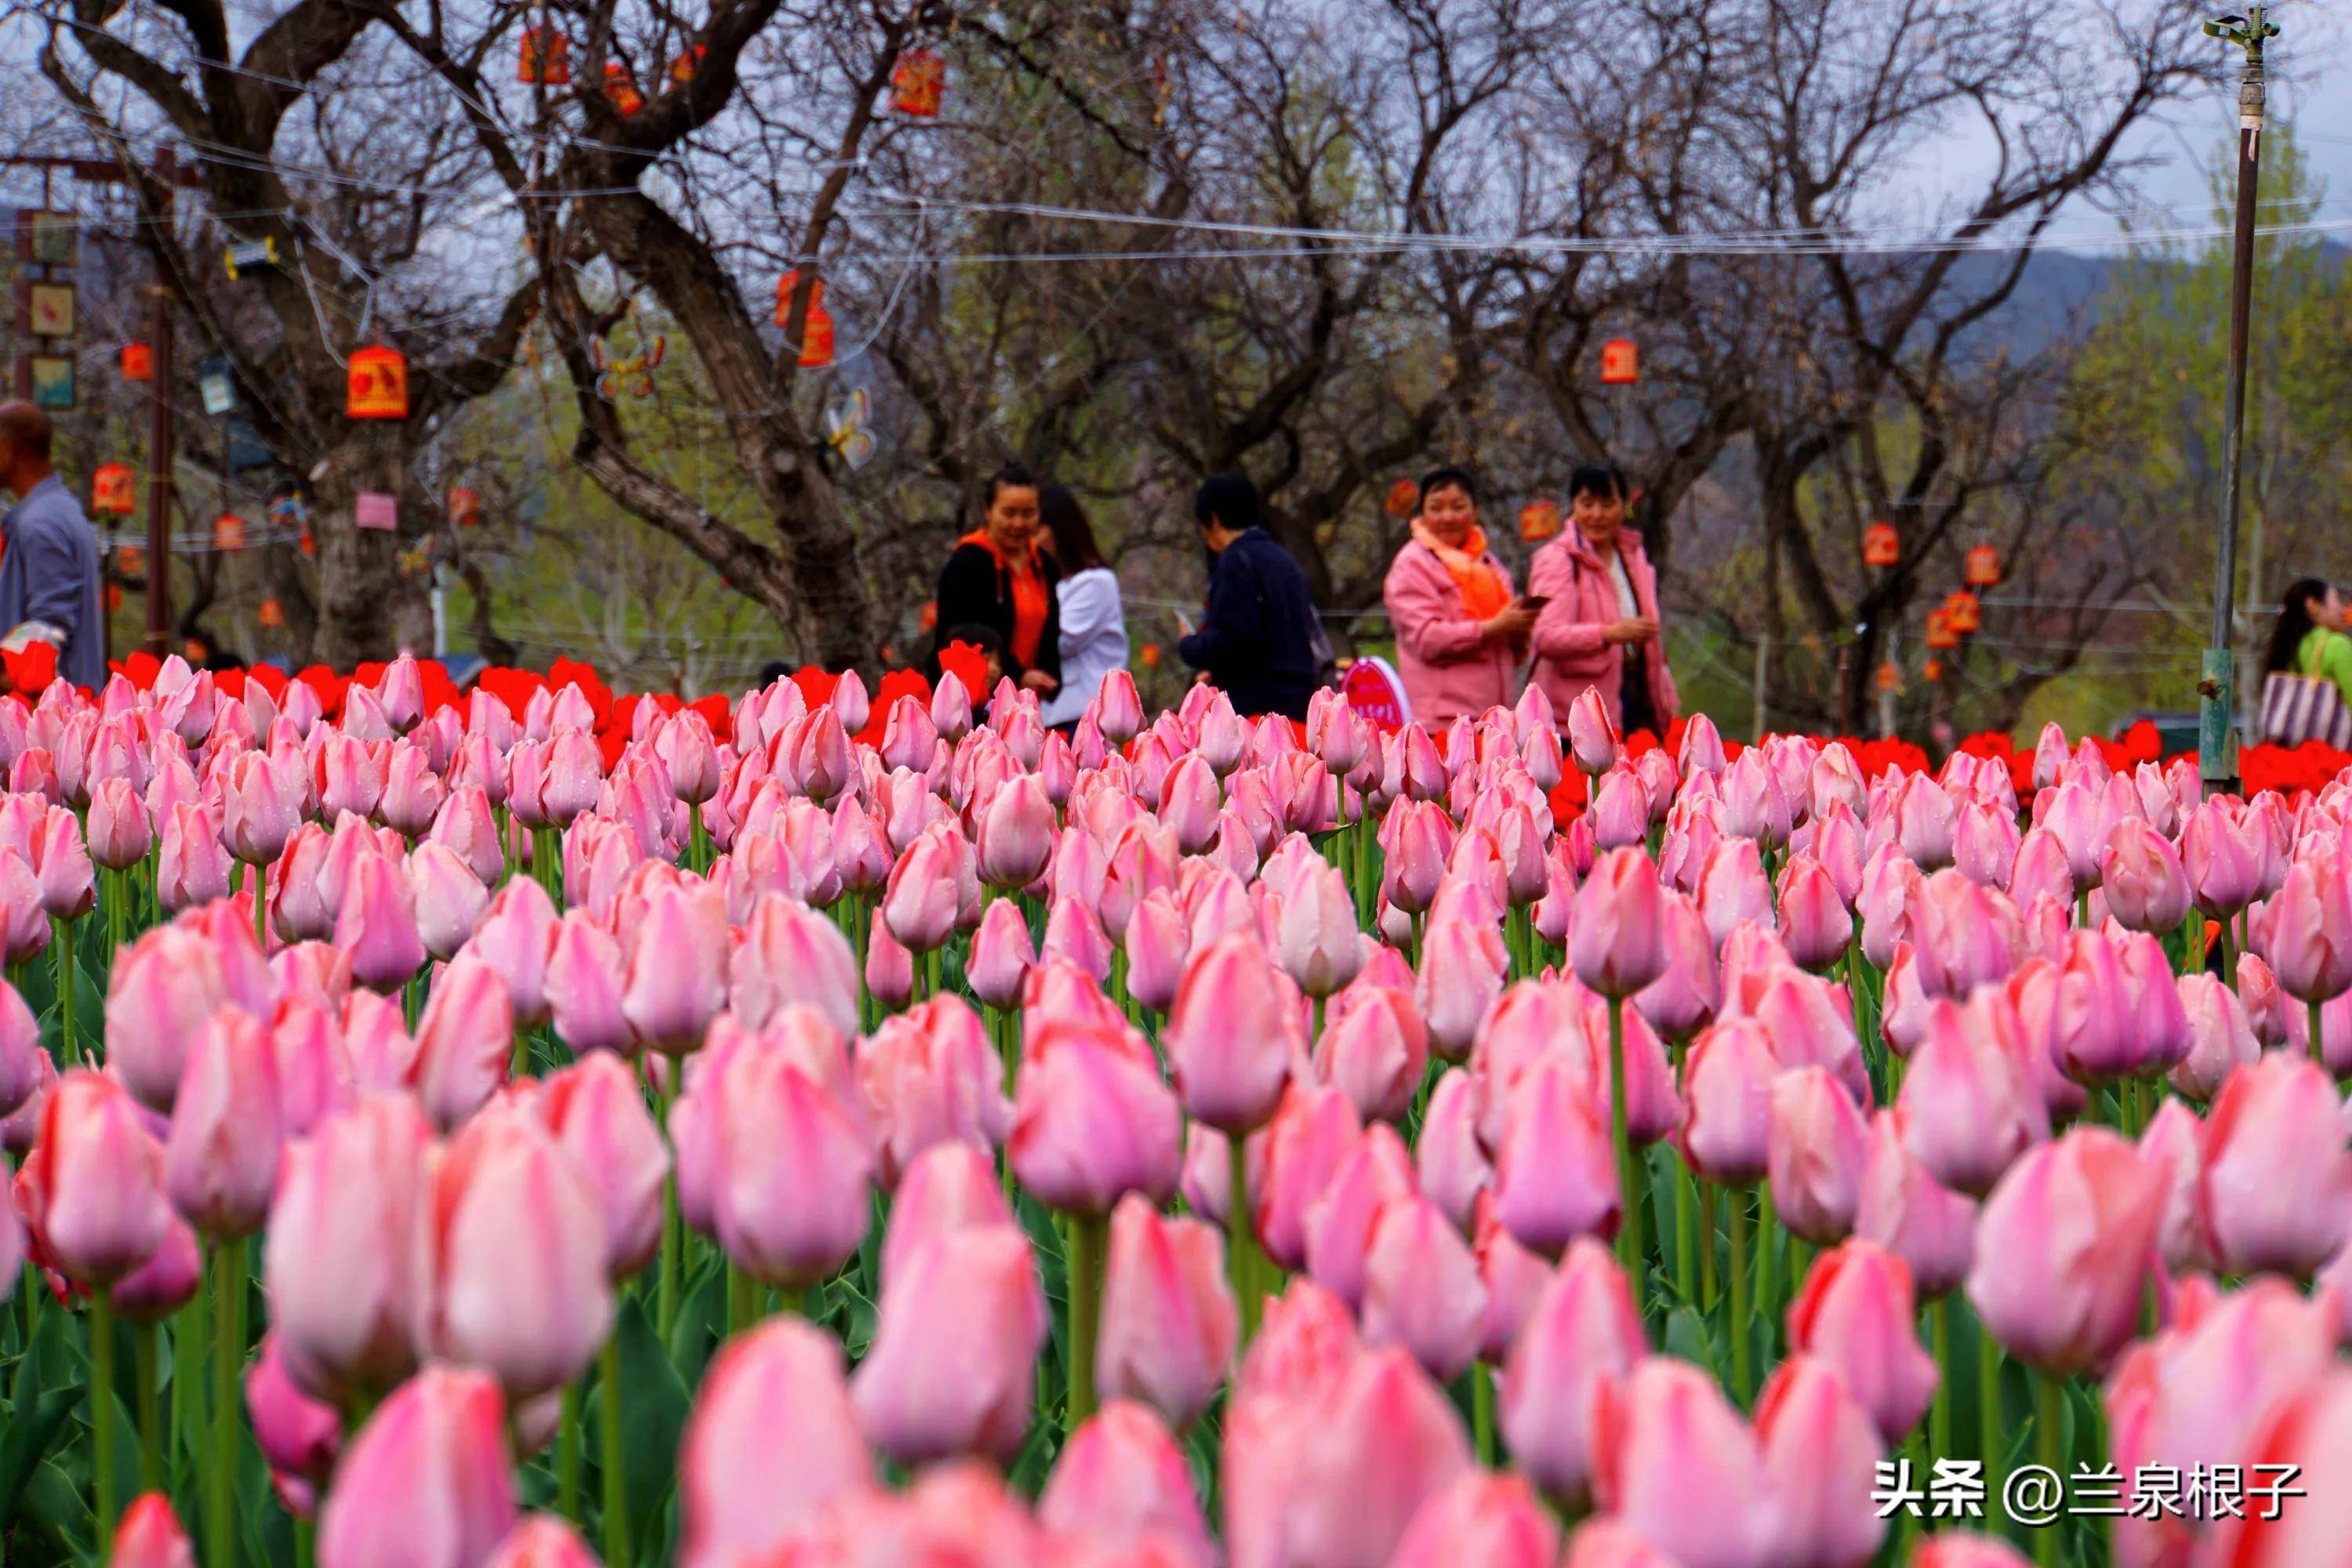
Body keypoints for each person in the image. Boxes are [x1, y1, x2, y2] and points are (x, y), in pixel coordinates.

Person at [1527, 462, 1679, 739]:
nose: (1596, 515)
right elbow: (1545, 637)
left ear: (1624, 507)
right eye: (1586, 504)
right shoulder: (1558, 560)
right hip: (1575, 718)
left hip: (1634, 702)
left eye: (1607, 504)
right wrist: (1609, 634)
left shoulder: (1634, 559)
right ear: (1573, 506)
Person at [1381, 466, 1537, 726]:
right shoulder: (1412, 564)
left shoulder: (1490, 565)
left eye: (1458, 507)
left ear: (1475, 511)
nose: (1447, 517)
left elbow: (1512, 652)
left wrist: (1520, 627)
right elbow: (1427, 640)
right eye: (1436, 508)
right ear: (1422, 513)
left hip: (1494, 716)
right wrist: (1495, 626)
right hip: (1440, 721)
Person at [1177, 470, 1320, 721]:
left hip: (1257, 709)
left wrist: (1190, 644)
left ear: (1213, 519)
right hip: (1300, 702)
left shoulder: (1235, 563)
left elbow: (1235, 641)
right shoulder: (1284, 559)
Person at [0, 402, 104, 691]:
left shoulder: (39, 522)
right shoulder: (61, 509)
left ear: (7, 449)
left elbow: (49, 627)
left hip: (50, 719)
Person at [934, 463, 1062, 699]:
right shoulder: (968, 562)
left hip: (1025, 695)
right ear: (988, 510)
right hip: (974, 696)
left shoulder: (1043, 564)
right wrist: (1017, 674)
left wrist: (1048, 676)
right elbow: (962, 635)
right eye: (1009, 513)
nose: (1019, 524)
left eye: (1028, 513)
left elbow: (1051, 629)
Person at [1036, 485, 1129, 730]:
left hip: (1083, 717)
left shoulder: (1094, 583)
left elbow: (1062, 642)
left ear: (1061, 530)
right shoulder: (1050, 586)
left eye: (1036, 531)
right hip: (1049, 716)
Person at [2263, 577, 2352, 705]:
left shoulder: (2288, 646)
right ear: (2313, 605)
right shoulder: (2337, 645)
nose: (2343, 609)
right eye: (2337, 599)